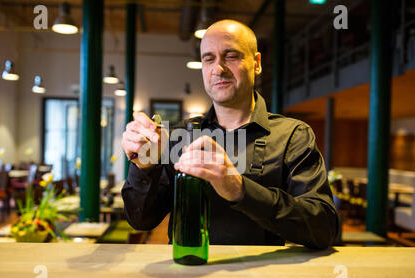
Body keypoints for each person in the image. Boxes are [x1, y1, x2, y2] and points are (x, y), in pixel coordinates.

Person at [121, 19, 339, 249]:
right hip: (186, 276)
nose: (218, 68)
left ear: (256, 63)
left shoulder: (292, 135)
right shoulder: (181, 135)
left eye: (231, 56)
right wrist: (144, 165)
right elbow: (141, 220)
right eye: (209, 59)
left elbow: (323, 228)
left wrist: (240, 188)